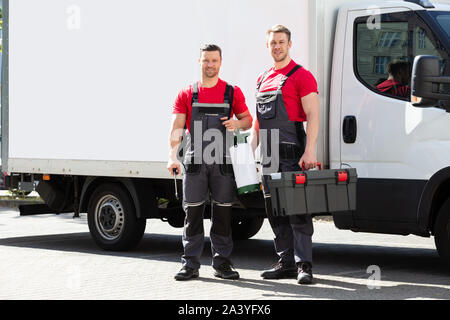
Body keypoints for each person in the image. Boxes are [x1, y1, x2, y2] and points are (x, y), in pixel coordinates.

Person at [168, 44, 253, 281]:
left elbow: (247, 120)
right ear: (199, 62)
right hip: (195, 162)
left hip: (223, 164)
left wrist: (237, 124)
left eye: (214, 61)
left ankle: (222, 264)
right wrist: (172, 156)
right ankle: (190, 264)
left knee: (223, 216)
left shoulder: (231, 92)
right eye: (206, 60)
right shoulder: (187, 93)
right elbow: (176, 128)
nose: (210, 65)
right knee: (192, 214)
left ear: (220, 62)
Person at [250, 25, 320, 285]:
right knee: (275, 212)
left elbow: (313, 114)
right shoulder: (262, 79)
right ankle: (286, 262)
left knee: (297, 212)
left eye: (281, 42)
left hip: (292, 153)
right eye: (272, 43)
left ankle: (304, 265)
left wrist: (309, 150)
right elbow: (258, 122)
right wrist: (249, 153)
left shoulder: (302, 76)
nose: (277, 46)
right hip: (267, 156)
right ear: (267, 46)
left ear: (290, 44)